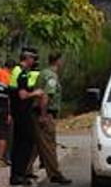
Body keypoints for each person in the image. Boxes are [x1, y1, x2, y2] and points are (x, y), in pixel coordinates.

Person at [32, 53, 72, 185]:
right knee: (49, 144)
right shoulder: (51, 76)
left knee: (37, 144)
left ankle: (25, 170)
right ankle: (55, 173)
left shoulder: (43, 72)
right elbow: (45, 96)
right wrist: (43, 116)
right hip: (46, 114)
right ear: (58, 61)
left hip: (37, 112)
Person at [10, 48, 44, 186]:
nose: (34, 62)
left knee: (18, 144)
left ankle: (15, 175)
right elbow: (22, 95)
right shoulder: (22, 74)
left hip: (16, 113)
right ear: (27, 59)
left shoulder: (16, 71)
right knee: (26, 144)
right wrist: (36, 93)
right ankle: (19, 174)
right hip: (22, 114)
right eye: (33, 59)